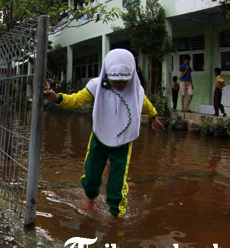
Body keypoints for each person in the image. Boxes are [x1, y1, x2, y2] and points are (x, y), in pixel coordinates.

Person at [43, 49, 164, 218]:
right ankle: (91, 200)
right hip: (99, 139)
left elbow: (145, 104)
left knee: (117, 183)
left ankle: (117, 217)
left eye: (124, 81)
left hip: (123, 142)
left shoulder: (136, 90)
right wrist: (57, 98)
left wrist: (154, 117)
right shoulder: (96, 86)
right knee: (91, 177)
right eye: (115, 81)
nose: (120, 85)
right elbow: (76, 99)